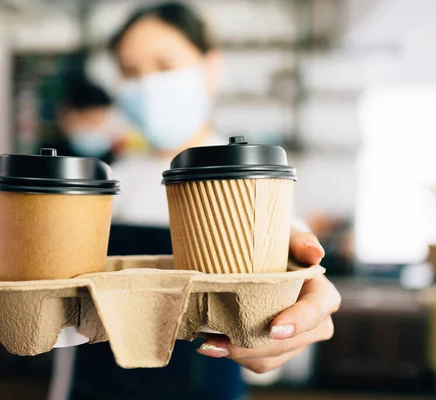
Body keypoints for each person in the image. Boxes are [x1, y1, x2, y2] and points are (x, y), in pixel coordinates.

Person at [53, 3, 341, 400]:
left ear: (210, 68)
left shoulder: (256, 187)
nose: (148, 84)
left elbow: (276, 343)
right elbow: (67, 331)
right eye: (131, 72)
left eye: (166, 64)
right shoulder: (103, 183)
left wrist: (284, 333)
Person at [40, 76, 120, 165]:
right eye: (90, 120)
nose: (95, 129)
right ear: (66, 115)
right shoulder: (45, 159)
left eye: (101, 122)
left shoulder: (116, 164)